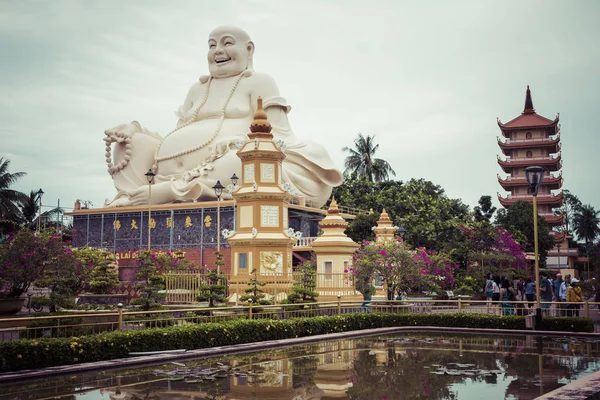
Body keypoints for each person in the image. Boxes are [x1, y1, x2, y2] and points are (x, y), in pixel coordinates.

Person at [104, 26, 343, 208]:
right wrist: (134, 130)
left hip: (230, 160)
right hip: (171, 168)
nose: (218, 51)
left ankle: (171, 192)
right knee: (131, 144)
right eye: (212, 45)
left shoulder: (260, 81)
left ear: (248, 50)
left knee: (242, 162)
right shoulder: (198, 89)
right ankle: (135, 193)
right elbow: (176, 134)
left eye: (227, 43)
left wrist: (239, 143)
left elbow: (279, 135)